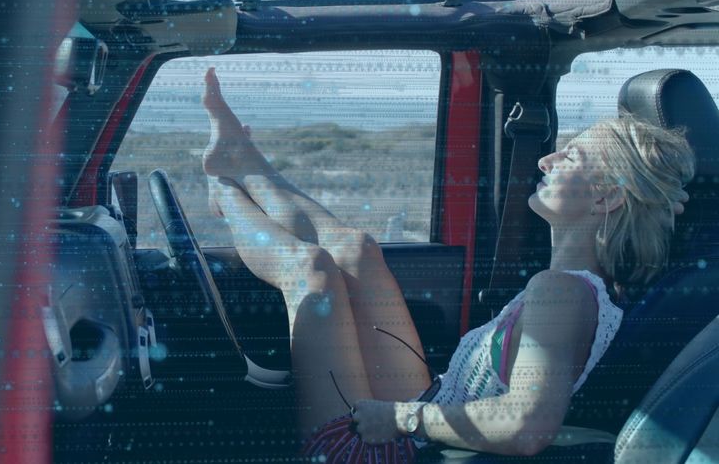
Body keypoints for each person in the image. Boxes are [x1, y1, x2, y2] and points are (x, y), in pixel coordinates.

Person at [199, 67, 695, 462]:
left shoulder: (561, 292)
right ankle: (241, 161)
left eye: (574, 156)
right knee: (357, 252)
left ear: (606, 196)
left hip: (390, 451)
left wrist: (403, 419)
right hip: (435, 415)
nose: (548, 160)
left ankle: (224, 194)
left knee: (310, 272)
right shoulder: (586, 288)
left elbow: (529, 427)